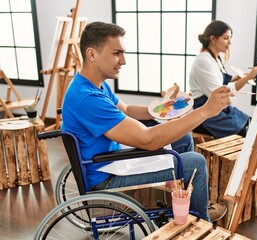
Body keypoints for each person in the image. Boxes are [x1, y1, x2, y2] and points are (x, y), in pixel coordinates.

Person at [61, 21, 232, 222]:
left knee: (184, 138)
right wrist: (204, 111)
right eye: (116, 53)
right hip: (106, 176)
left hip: (111, 160)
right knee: (194, 162)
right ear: (92, 54)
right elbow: (147, 140)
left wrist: (166, 108)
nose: (123, 61)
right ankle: (200, 220)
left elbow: (127, 110)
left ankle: (181, 205)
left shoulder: (94, 85)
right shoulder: (87, 98)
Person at [189, 20, 257, 139]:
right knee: (247, 134)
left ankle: (251, 157)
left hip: (220, 109)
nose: (229, 42)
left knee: (253, 124)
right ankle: (244, 157)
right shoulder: (202, 61)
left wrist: (241, 77)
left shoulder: (215, 58)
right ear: (213, 39)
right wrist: (248, 78)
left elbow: (222, 82)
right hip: (207, 114)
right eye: (226, 38)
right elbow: (221, 93)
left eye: (230, 38)